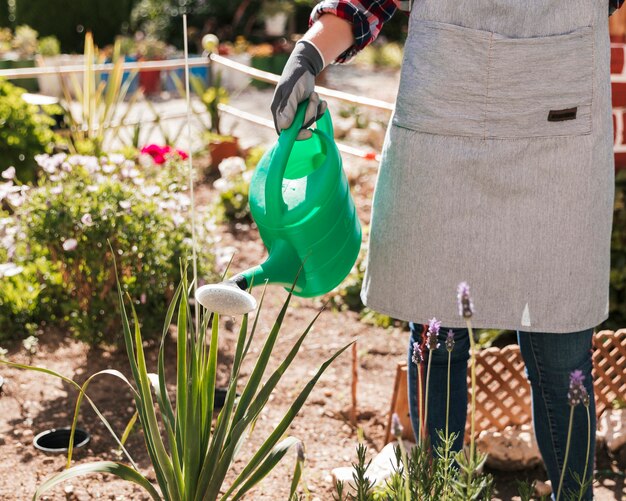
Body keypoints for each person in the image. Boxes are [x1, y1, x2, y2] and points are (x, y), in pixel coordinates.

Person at [271, 1, 623, 499]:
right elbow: (366, 4)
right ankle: (438, 491)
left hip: (561, 144)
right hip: (443, 137)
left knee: (562, 346)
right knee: (439, 340)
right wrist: (308, 55)